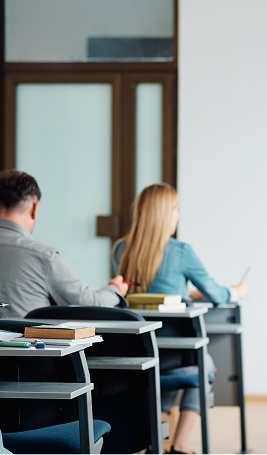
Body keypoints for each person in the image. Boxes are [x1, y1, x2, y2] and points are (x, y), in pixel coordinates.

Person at [113, 182, 248, 455]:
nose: (177, 215)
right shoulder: (181, 251)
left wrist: (184, 291)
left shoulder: (121, 249)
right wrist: (237, 290)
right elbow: (217, 294)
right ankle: (180, 444)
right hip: (175, 353)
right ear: (165, 214)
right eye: (175, 209)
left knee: (164, 370)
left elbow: (143, 289)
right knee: (203, 366)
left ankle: (155, 441)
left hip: (136, 352)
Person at [0, 170, 128, 318]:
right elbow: (90, 305)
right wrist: (115, 289)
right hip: (27, 341)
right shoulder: (43, 257)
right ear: (34, 208)